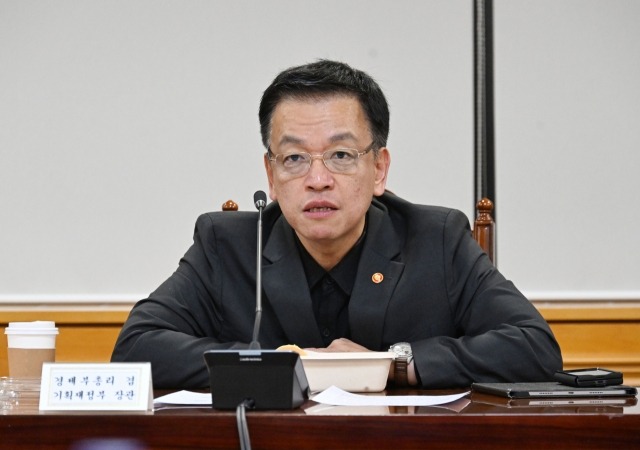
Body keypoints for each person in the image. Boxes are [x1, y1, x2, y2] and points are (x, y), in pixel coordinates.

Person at [111, 60, 562, 389]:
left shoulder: (437, 239)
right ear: (271, 175)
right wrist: (290, 365)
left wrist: (392, 363)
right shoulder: (225, 245)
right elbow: (136, 348)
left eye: (341, 156)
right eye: (294, 159)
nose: (318, 180)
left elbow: (534, 347)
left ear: (379, 170)